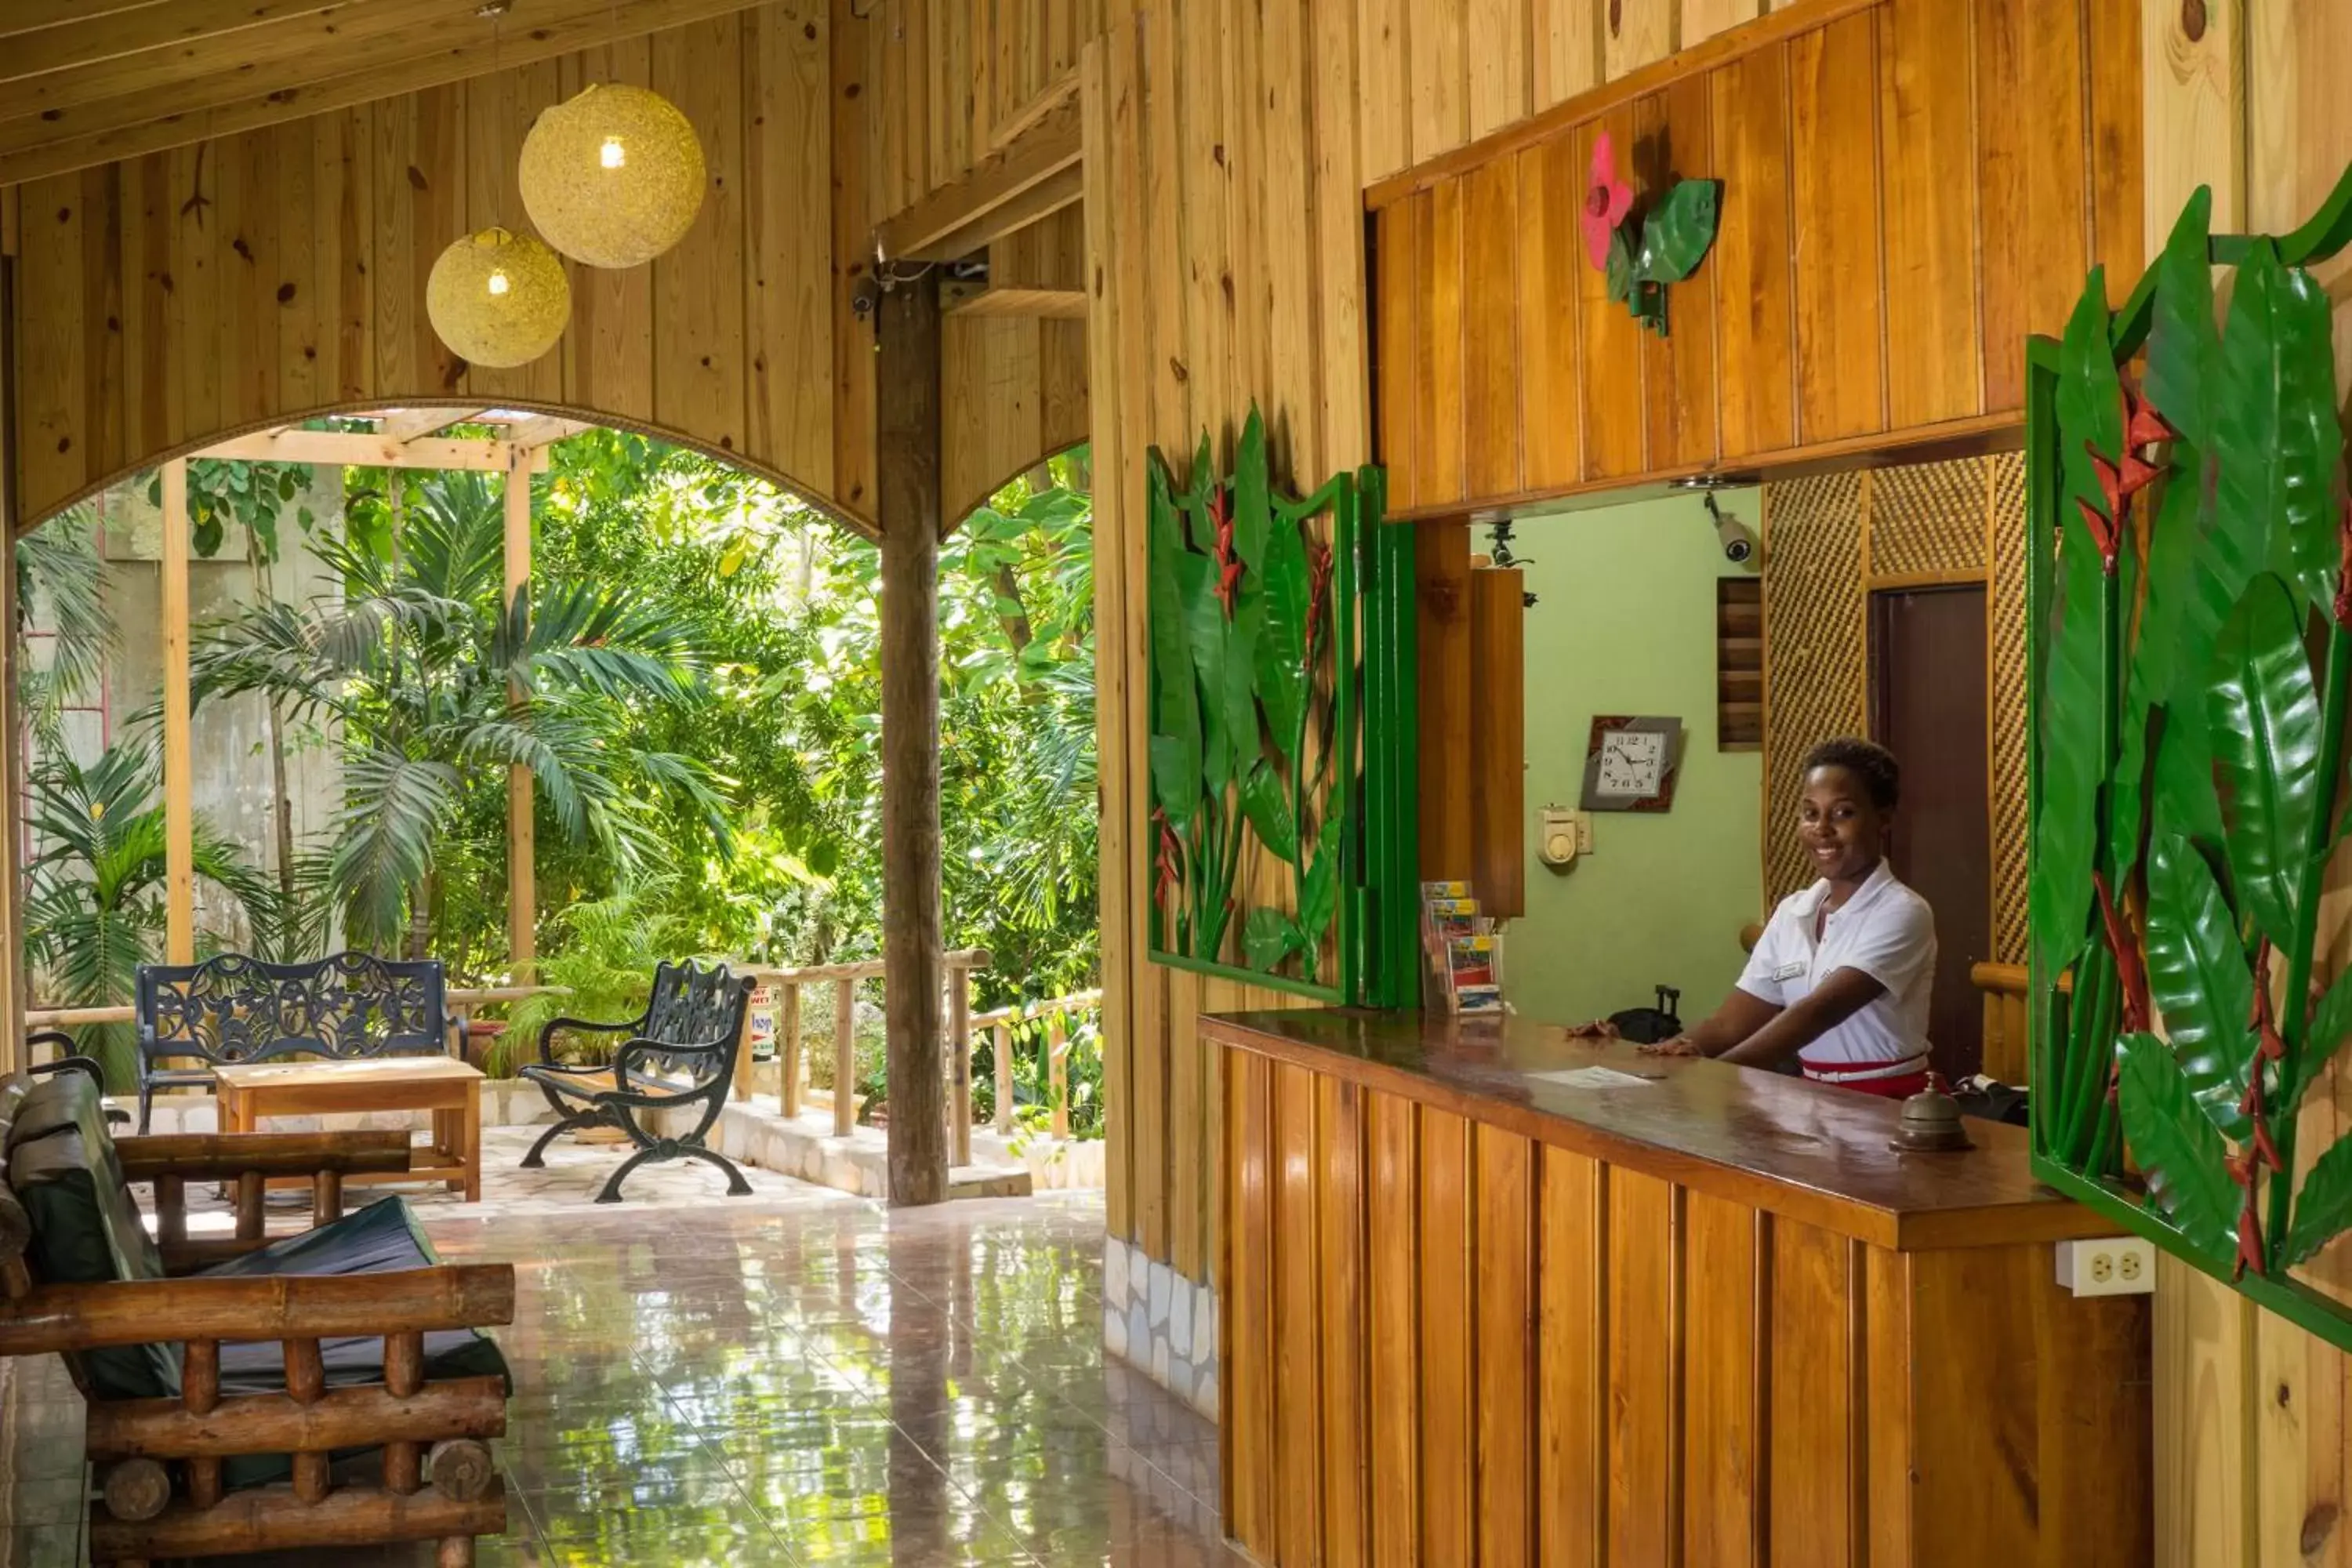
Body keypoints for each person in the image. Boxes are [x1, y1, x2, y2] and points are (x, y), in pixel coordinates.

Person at [1640, 737, 1937, 1098]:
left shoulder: (1902, 911)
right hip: (1813, 1098)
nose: (1822, 829)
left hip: (1888, 1104)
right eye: (1811, 813)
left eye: (1843, 813)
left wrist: (1714, 1077)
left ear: (1883, 818)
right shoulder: (1793, 912)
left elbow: (1817, 1013)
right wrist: (1661, 1058)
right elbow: (1729, 1023)